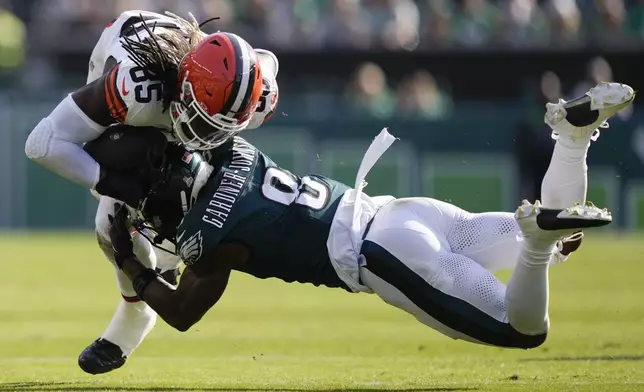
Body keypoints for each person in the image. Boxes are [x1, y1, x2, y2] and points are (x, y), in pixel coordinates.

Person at [103, 82, 632, 359]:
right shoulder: (233, 151)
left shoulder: (210, 238)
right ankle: (571, 136)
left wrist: (131, 263)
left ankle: (536, 241)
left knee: (525, 332)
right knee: (568, 239)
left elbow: (181, 312)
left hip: (385, 256)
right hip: (402, 211)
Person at [23, 10, 279, 374]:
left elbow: (267, 61)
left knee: (192, 187)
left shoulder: (257, 94)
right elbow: (41, 144)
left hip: (185, 93)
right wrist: (115, 184)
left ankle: (168, 262)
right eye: (203, 121)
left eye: (218, 127)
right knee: (111, 219)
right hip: (128, 72)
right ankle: (136, 311)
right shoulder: (137, 89)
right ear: (185, 89)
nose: (205, 136)